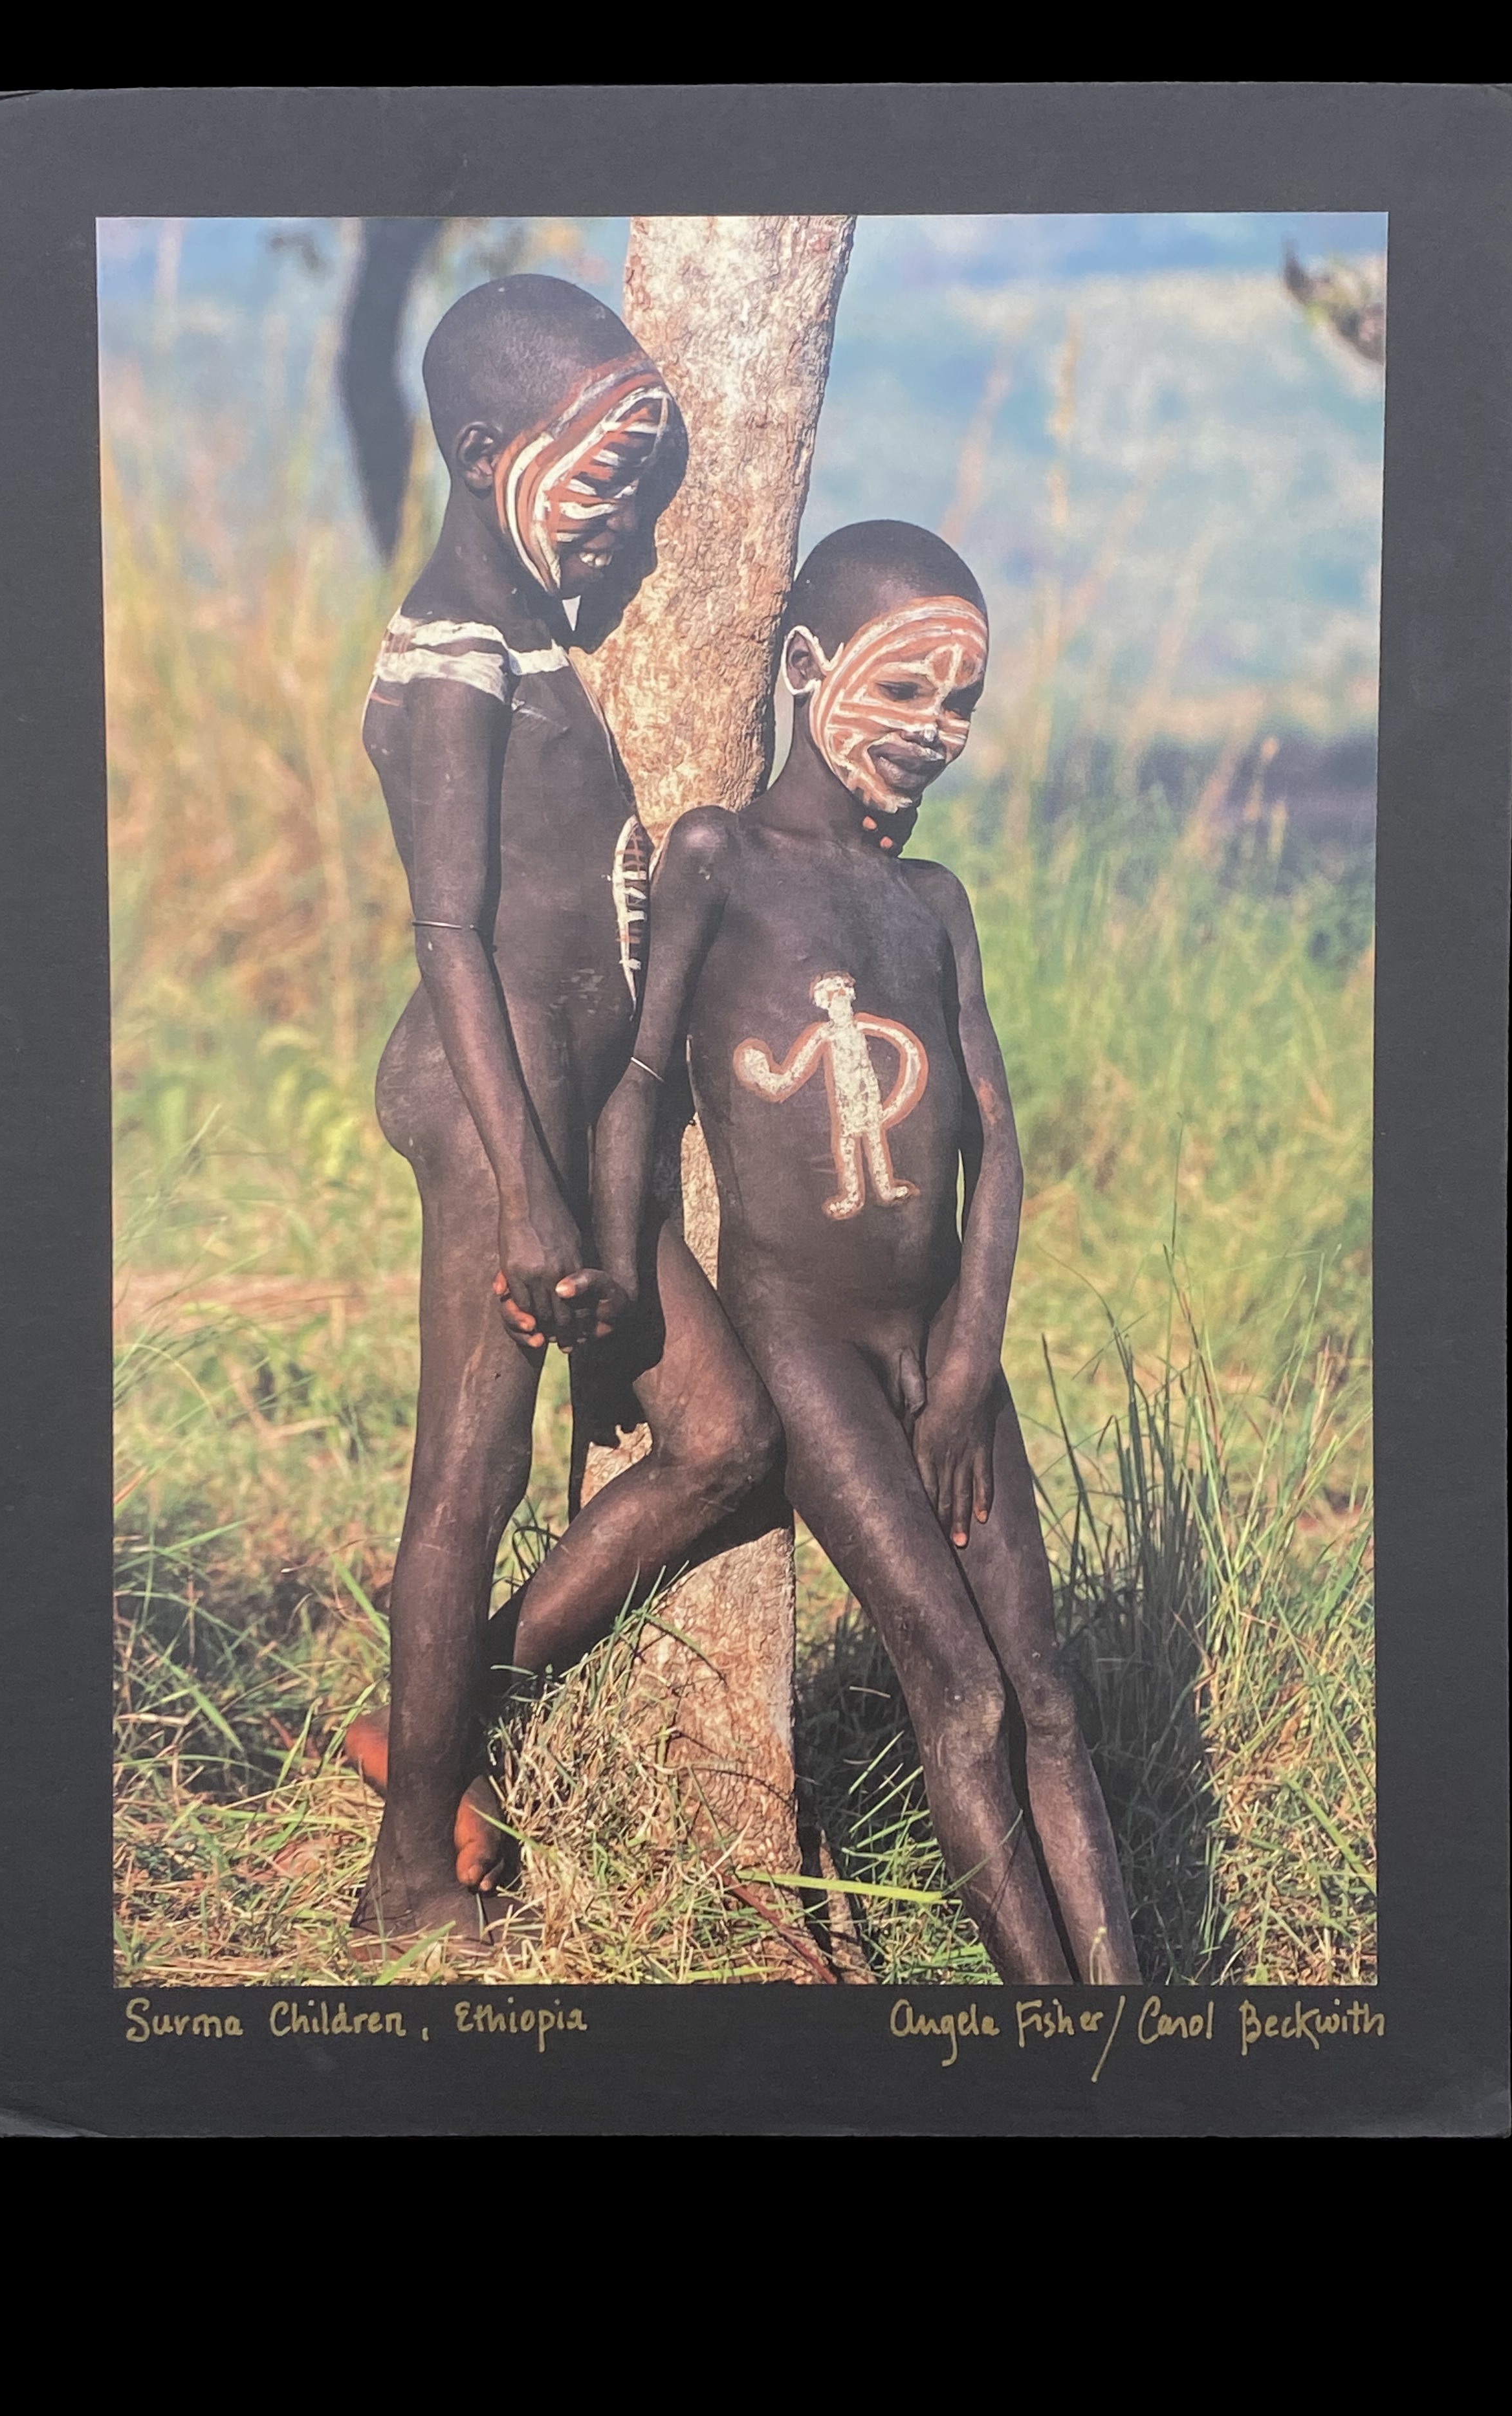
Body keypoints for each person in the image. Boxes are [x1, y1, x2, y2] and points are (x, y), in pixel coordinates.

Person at [515, 518, 1140, 1986]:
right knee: (965, 1693)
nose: (936, 735)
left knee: (1048, 1697)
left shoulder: (932, 904)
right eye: (905, 691)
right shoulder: (720, 860)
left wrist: (973, 1352)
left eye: (962, 709)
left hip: (943, 1354)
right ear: (806, 668)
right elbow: (644, 1089)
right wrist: (611, 1289)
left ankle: (1136, 2027)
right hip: (807, 1353)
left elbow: (997, 1143)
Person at [349, 274, 779, 1958]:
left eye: (648, 486)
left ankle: (443, 1711)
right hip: (489, 1111)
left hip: (568, 1125)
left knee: (730, 1437)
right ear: (479, 457)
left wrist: (601, 1183)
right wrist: (535, 1198)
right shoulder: (453, 665)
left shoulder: (534, 631)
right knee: (472, 1466)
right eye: (603, 482)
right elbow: (447, 930)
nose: (635, 529)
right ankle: (405, 1880)